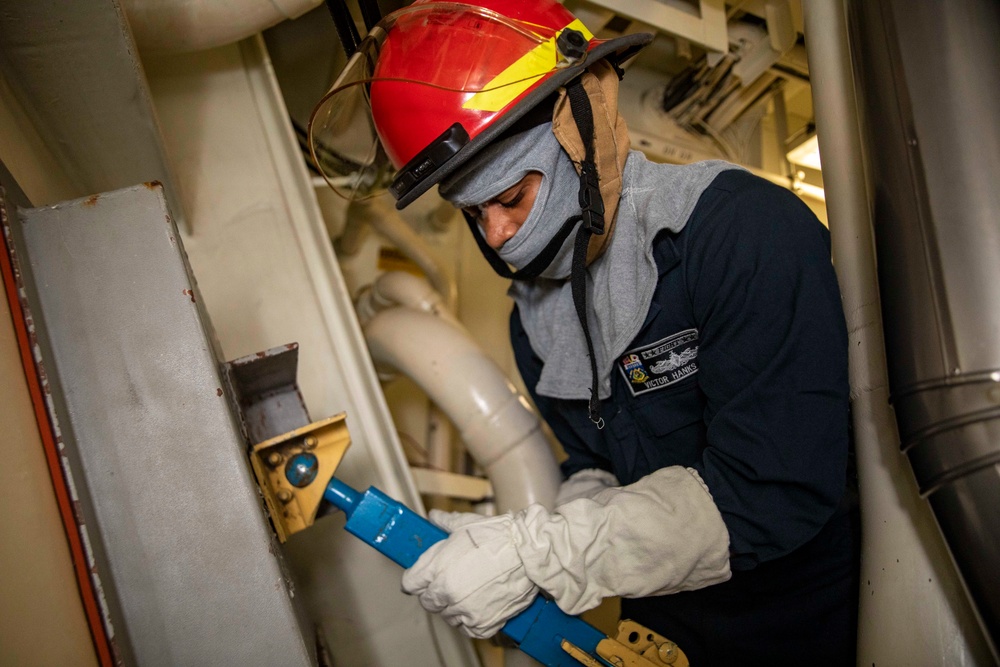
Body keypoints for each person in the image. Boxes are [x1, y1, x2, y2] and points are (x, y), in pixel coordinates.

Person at [310, 1, 860, 664]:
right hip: (661, 629)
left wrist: (544, 555)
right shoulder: (533, 319)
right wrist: (520, 537)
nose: (497, 235)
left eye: (510, 197)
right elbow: (598, 466)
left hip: (805, 626)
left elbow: (771, 489)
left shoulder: (741, 232)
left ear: (582, 130)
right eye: (475, 214)